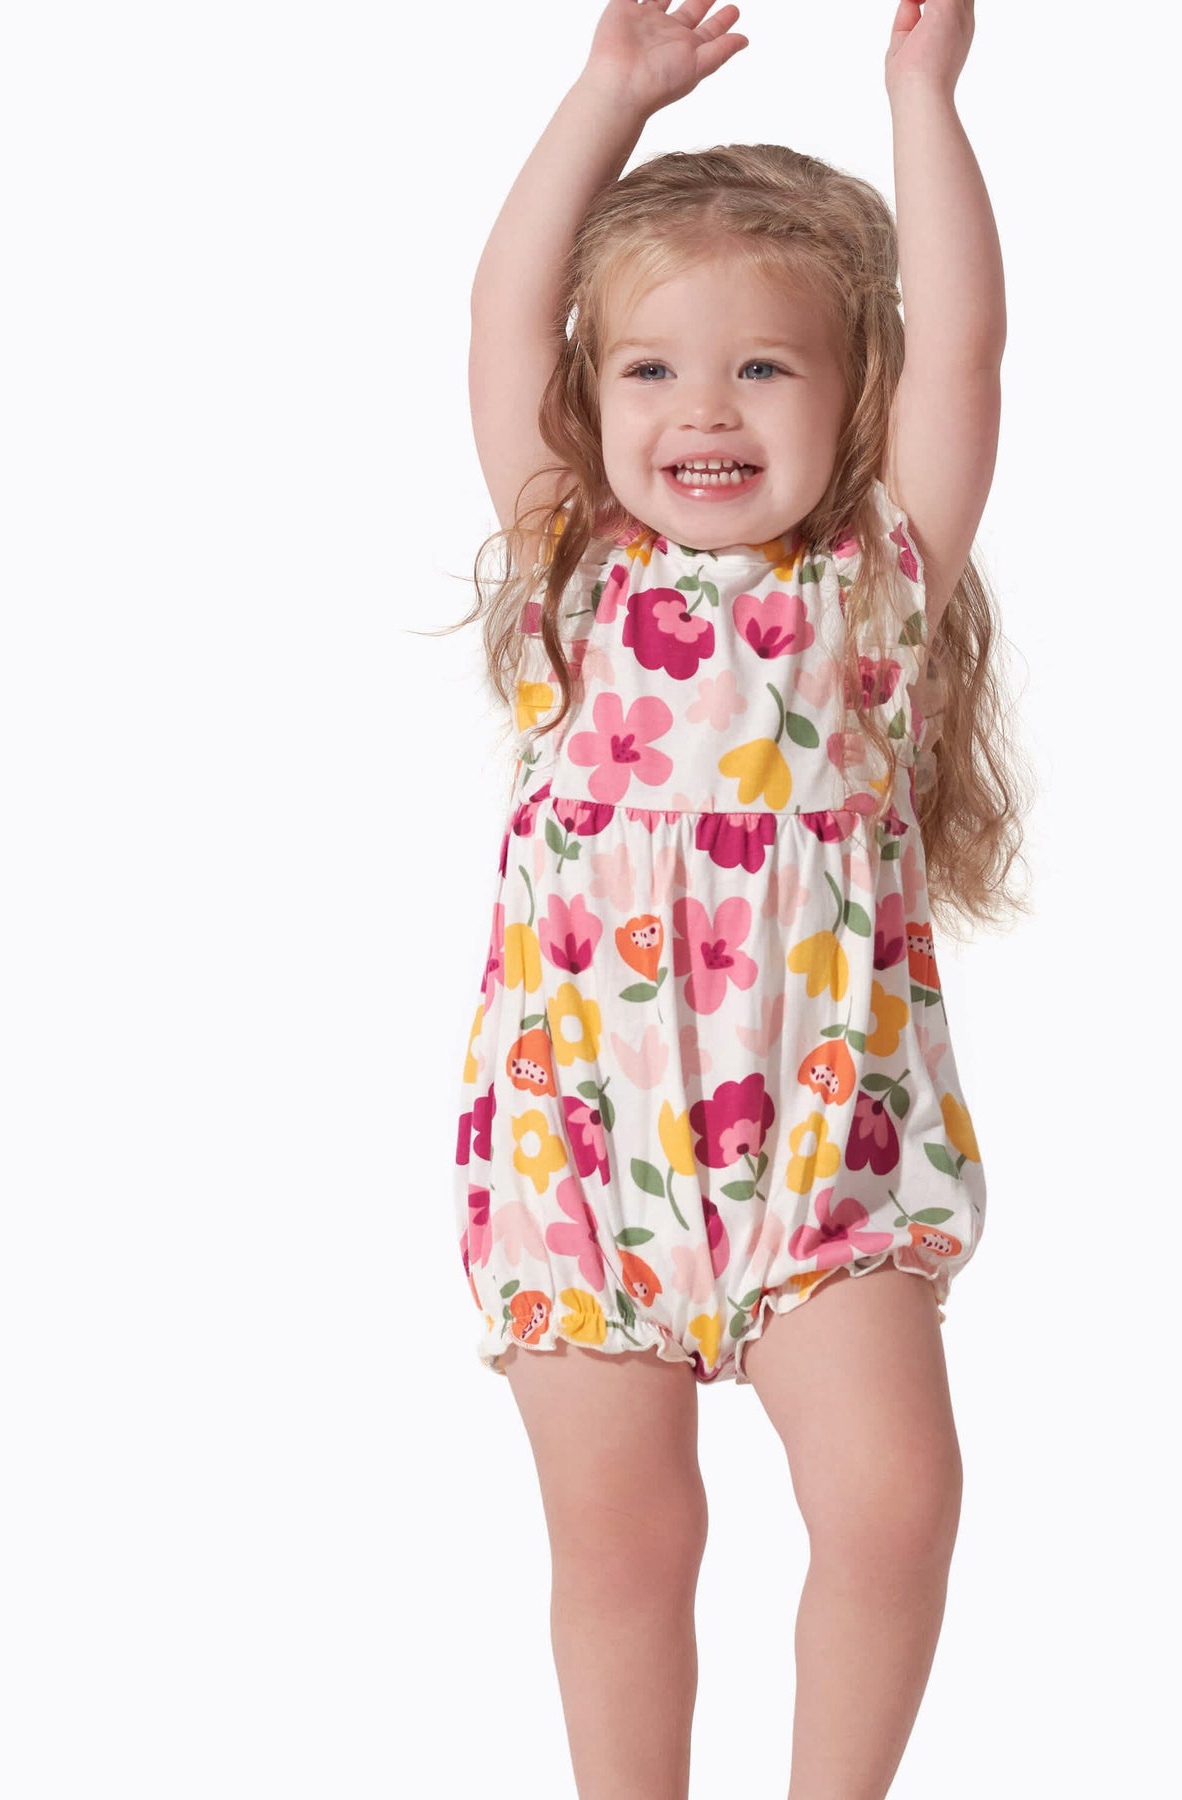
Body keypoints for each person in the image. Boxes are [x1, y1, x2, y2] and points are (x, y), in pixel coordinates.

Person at [443, 2, 1031, 1792]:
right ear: (590, 400)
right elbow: (499, 319)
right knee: (626, 1549)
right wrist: (605, 96)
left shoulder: (872, 584)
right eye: (649, 370)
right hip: (583, 1164)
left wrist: (922, 94)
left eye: (764, 367)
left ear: (852, 404)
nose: (701, 407)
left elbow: (966, 351)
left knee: (895, 1501)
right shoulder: (569, 570)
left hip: (826, 1159)